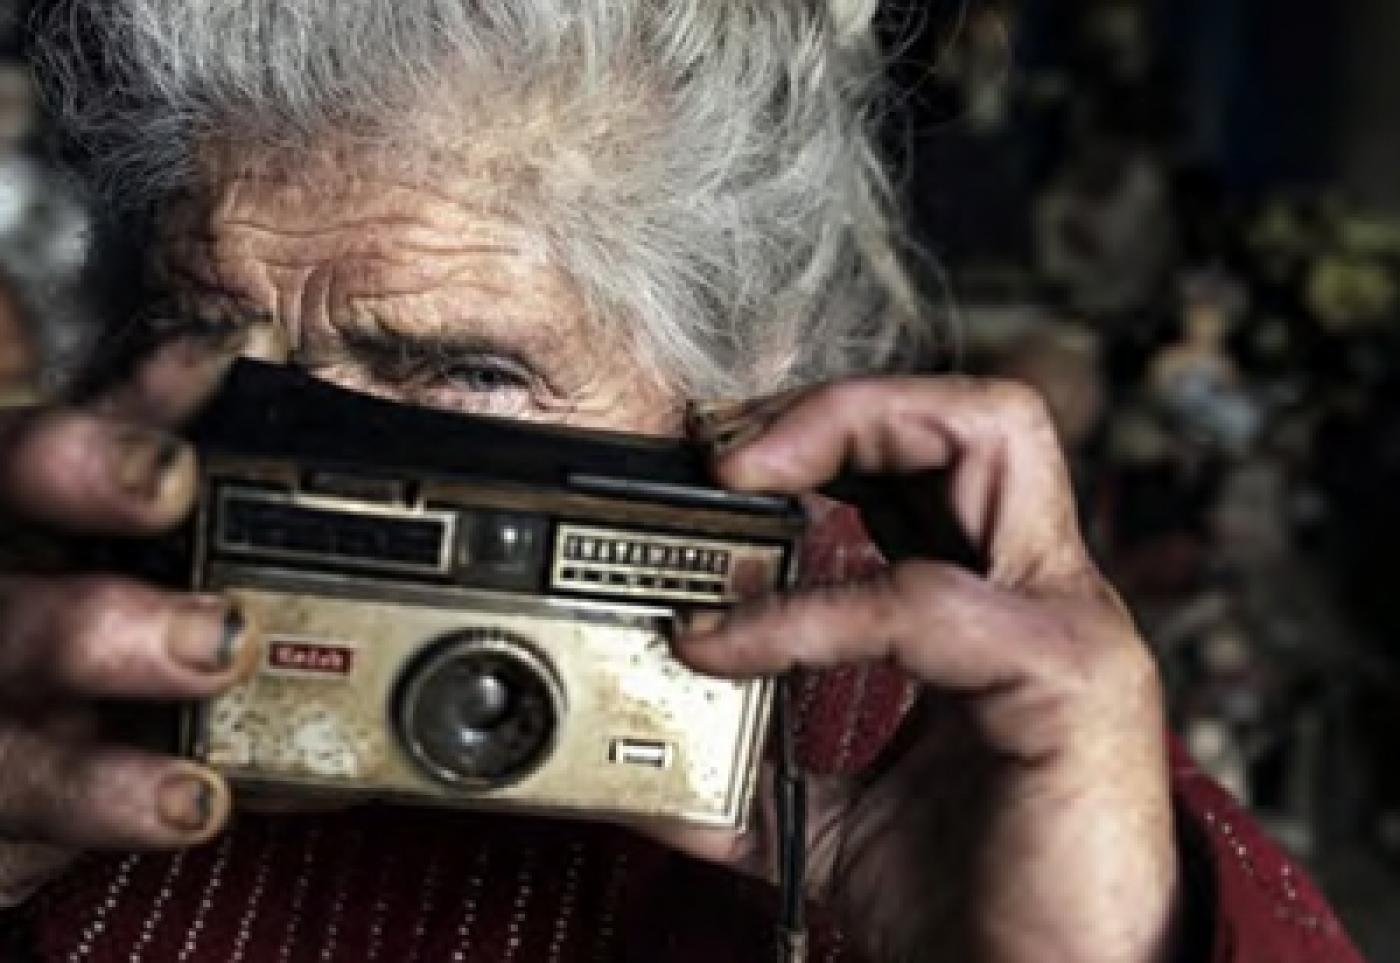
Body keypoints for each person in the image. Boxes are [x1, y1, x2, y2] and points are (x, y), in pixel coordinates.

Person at [0, 2, 1364, 960]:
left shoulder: (935, 729)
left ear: (742, 390)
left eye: (465, 377)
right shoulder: (77, 642)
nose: (303, 471)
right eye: (214, 345)